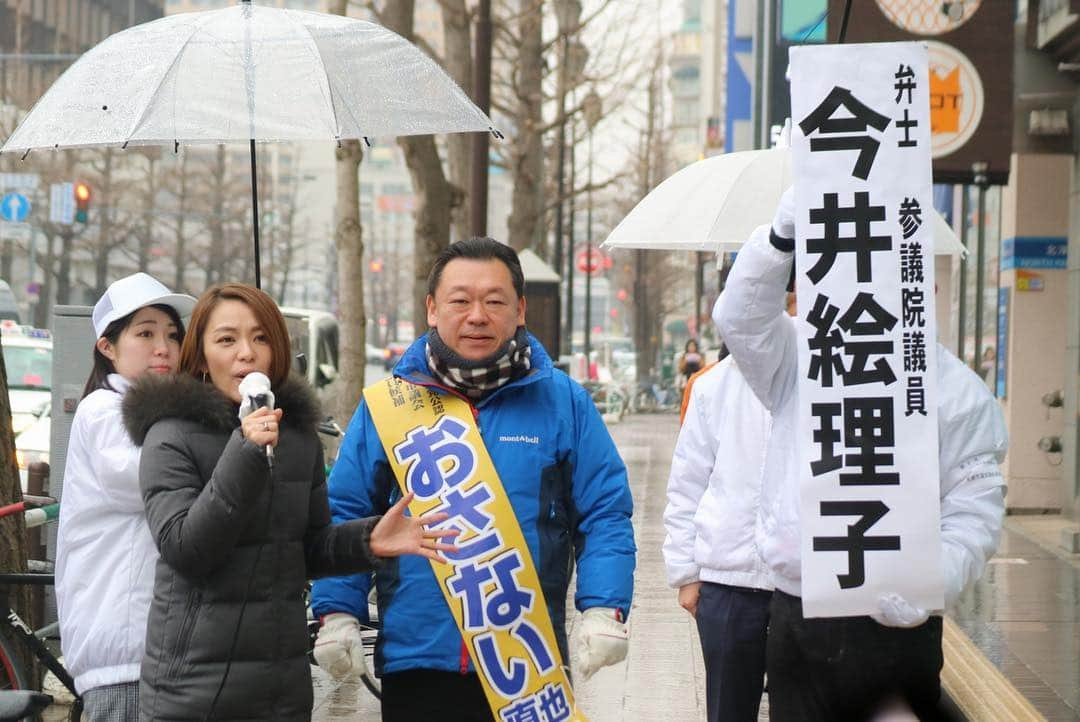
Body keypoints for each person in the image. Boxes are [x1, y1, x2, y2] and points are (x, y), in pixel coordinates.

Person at [310, 237, 636, 722]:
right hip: (415, 660)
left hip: (526, 661)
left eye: (494, 301)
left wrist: (603, 607)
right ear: (432, 309)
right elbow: (348, 510)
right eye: (460, 300)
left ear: (520, 309)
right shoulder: (389, 405)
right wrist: (337, 610)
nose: (477, 315)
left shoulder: (565, 401)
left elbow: (605, 511)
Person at [712, 190, 1009, 721]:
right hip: (799, 618)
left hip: (898, 627)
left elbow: (974, 514)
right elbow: (740, 322)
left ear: (925, 286)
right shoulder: (802, 356)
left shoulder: (958, 392)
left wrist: (928, 581)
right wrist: (780, 238)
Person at [120, 283, 456, 721]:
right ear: (200, 357)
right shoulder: (170, 435)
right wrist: (245, 450)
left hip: (281, 689)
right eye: (226, 339)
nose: (247, 353)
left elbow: (307, 547)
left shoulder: (297, 438)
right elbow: (187, 549)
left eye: (261, 338)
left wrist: (369, 539)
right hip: (192, 694)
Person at [55, 273, 196, 721]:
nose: (163, 347)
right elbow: (149, 480)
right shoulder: (105, 410)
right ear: (107, 346)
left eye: (173, 335)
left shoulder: (160, 413)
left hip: (153, 651)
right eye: (145, 333)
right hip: (123, 652)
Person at [664, 354, 772, 722]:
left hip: (808, 584)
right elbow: (686, 482)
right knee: (728, 709)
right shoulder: (712, 385)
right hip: (728, 581)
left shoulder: (830, 383)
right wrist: (686, 573)